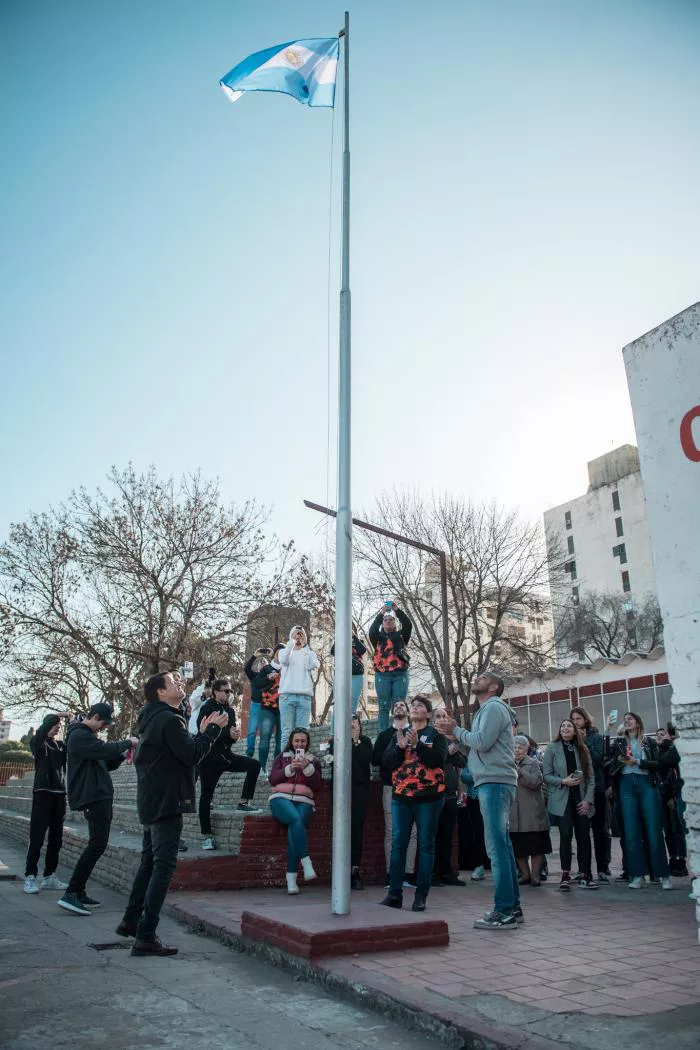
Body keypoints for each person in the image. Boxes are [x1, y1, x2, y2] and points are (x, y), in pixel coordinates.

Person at [116, 671, 228, 956]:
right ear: (160, 693)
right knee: (163, 866)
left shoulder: (152, 718)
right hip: (167, 801)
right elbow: (190, 755)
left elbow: (180, 749)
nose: (181, 683)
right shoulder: (168, 719)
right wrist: (212, 731)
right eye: (174, 681)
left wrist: (199, 735)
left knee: (149, 862)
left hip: (152, 799)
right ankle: (146, 935)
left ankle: (131, 920)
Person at [449, 673, 521, 930]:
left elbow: (482, 742)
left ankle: (504, 911)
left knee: (496, 848)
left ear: (493, 687)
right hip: (493, 781)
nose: (475, 680)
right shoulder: (487, 710)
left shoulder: (493, 707)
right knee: (503, 846)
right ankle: (513, 906)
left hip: (495, 782)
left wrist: (455, 731)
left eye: (482, 678)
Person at [58, 704, 136, 915]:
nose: (102, 728)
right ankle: (72, 892)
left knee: (97, 844)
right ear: (93, 716)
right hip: (93, 796)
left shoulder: (86, 737)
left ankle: (78, 891)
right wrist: (127, 742)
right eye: (102, 723)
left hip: (99, 795)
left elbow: (104, 760)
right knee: (96, 845)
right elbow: (102, 750)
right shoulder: (79, 735)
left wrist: (121, 756)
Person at [380, 694, 447, 912]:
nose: (415, 708)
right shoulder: (400, 733)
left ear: (427, 714)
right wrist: (399, 748)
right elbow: (387, 763)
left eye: (420, 706)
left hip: (428, 798)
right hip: (401, 798)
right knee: (398, 843)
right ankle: (394, 894)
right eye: (413, 705)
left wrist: (418, 746)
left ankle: (421, 896)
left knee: (426, 845)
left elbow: (437, 761)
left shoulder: (435, 735)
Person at [196, 677, 263, 850]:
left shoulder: (230, 710)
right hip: (209, 759)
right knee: (206, 797)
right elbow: (204, 732)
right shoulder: (207, 708)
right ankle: (206, 836)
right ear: (215, 692)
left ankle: (243, 802)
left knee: (254, 765)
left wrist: (233, 736)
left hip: (226, 756)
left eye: (230, 691)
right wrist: (228, 734)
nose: (229, 694)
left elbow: (228, 736)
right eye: (226, 691)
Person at [607, 711, 671, 889]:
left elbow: (658, 764)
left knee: (653, 829)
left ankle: (662, 874)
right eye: (624, 719)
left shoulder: (649, 742)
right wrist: (608, 729)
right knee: (631, 830)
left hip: (646, 783)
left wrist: (638, 762)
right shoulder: (619, 742)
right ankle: (637, 874)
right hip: (626, 785)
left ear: (638, 722)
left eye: (630, 719)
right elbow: (606, 756)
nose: (626, 721)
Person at [543, 719, 597, 891]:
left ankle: (585, 873)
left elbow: (590, 778)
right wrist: (563, 781)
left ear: (575, 731)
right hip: (562, 800)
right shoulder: (552, 748)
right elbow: (546, 775)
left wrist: (588, 800)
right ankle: (565, 874)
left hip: (580, 799)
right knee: (565, 835)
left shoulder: (583, 749)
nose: (565, 727)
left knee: (583, 837)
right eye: (563, 726)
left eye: (569, 726)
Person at [268, 727, 322, 894]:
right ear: (291, 741)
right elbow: (272, 779)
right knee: (296, 819)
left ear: (307, 743)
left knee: (295, 826)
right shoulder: (282, 757)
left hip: (304, 800)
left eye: (303, 741)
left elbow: (318, 785)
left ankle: (291, 879)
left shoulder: (313, 760)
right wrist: (290, 768)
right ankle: (306, 862)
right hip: (280, 799)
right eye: (297, 740)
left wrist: (307, 768)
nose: (300, 743)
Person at [372, 699, 417, 887]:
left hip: (414, 788)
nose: (399, 707)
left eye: (402, 705)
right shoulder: (384, 735)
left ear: (407, 711)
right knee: (391, 831)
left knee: (413, 832)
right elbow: (376, 760)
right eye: (396, 705)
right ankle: (392, 875)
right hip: (391, 787)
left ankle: (408, 874)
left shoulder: (415, 732)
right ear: (392, 712)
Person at [24, 713, 69, 894]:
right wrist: (57, 716)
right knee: (37, 836)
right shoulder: (38, 744)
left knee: (56, 839)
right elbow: (42, 731)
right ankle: (30, 876)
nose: (58, 727)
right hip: (43, 793)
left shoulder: (60, 746)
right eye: (55, 724)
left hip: (59, 794)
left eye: (59, 725)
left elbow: (75, 745)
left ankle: (49, 875)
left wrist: (74, 722)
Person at [570, 706, 611, 881]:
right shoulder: (570, 740)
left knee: (600, 830)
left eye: (578, 719)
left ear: (585, 720)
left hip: (597, 788)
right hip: (579, 789)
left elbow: (598, 759)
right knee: (581, 832)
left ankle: (603, 867)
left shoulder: (595, 736)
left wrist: (585, 742)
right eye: (573, 719)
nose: (575, 723)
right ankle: (584, 869)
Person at [510, 735, 551, 887]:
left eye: (520, 747)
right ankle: (525, 875)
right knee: (518, 847)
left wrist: (520, 772)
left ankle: (535, 876)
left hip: (532, 813)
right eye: (514, 747)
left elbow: (535, 782)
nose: (516, 750)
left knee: (536, 847)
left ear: (526, 749)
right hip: (514, 813)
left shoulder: (533, 763)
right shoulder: (507, 764)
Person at [432, 707, 466, 886]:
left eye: (444, 716)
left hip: (451, 794)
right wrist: (447, 751)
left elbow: (462, 762)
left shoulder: (453, 739)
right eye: (438, 716)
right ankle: (434, 873)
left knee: (447, 836)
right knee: (433, 836)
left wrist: (454, 752)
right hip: (434, 793)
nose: (441, 719)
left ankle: (447, 872)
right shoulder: (428, 736)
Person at [369, 604, 412, 731]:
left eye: (391, 619)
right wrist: (381, 613)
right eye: (386, 620)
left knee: (398, 705)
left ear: (395, 622)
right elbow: (372, 630)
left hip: (400, 675)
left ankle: (400, 732)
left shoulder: (401, 635)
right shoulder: (377, 638)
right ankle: (384, 735)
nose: (388, 621)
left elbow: (408, 624)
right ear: (382, 623)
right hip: (383, 675)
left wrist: (397, 610)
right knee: (383, 706)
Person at [656, 725, 688, 877]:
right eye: (658, 735)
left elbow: (674, 773)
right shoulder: (656, 751)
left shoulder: (673, 750)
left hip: (673, 794)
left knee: (678, 829)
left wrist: (672, 796)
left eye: (663, 734)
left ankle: (681, 860)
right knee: (667, 830)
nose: (660, 737)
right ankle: (673, 859)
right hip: (662, 795)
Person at [247, 643, 284, 775]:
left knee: (281, 739)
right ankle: (263, 767)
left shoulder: (288, 668)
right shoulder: (267, 668)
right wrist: (268, 677)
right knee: (265, 738)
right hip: (267, 708)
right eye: (278, 652)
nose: (280, 655)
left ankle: (277, 767)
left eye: (283, 653)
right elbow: (257, 683)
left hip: (284, 708)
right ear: (274, 654)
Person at [278, 627, 319, 741]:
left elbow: (313, 664)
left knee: (302, 733)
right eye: (296, 634)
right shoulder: (284, 651)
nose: (298, 636)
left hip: (304, 697)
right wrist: (292, 642)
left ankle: (300, 759)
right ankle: (286, 759)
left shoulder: (309, 653)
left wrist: (305, 645)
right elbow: (284, 660)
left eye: (301, 634)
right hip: (287, 696)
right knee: (287, 732)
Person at [330, 625, 367, 726]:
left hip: (356, 675)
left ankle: (350, 730)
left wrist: (353, 636)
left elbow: (362, 650)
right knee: (338, 704)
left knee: (352, 705)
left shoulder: (359, 642)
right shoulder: (340, 641)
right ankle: (333, 734)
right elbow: (333, 651)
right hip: (341, 675)